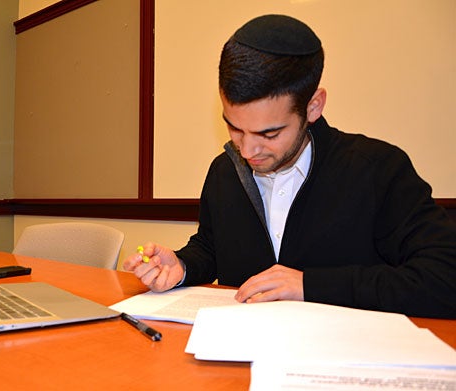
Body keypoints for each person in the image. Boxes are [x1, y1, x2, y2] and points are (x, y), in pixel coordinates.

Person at [123, 14, 456, 319]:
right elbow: (213, 246)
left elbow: (444, 278)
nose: (247, 149)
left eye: (269, 133)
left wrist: (309, 285)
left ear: (313, 107)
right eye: (234, 127)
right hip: (234, 362)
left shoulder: (378, 169)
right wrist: (182, 265)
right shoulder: (225, 171)